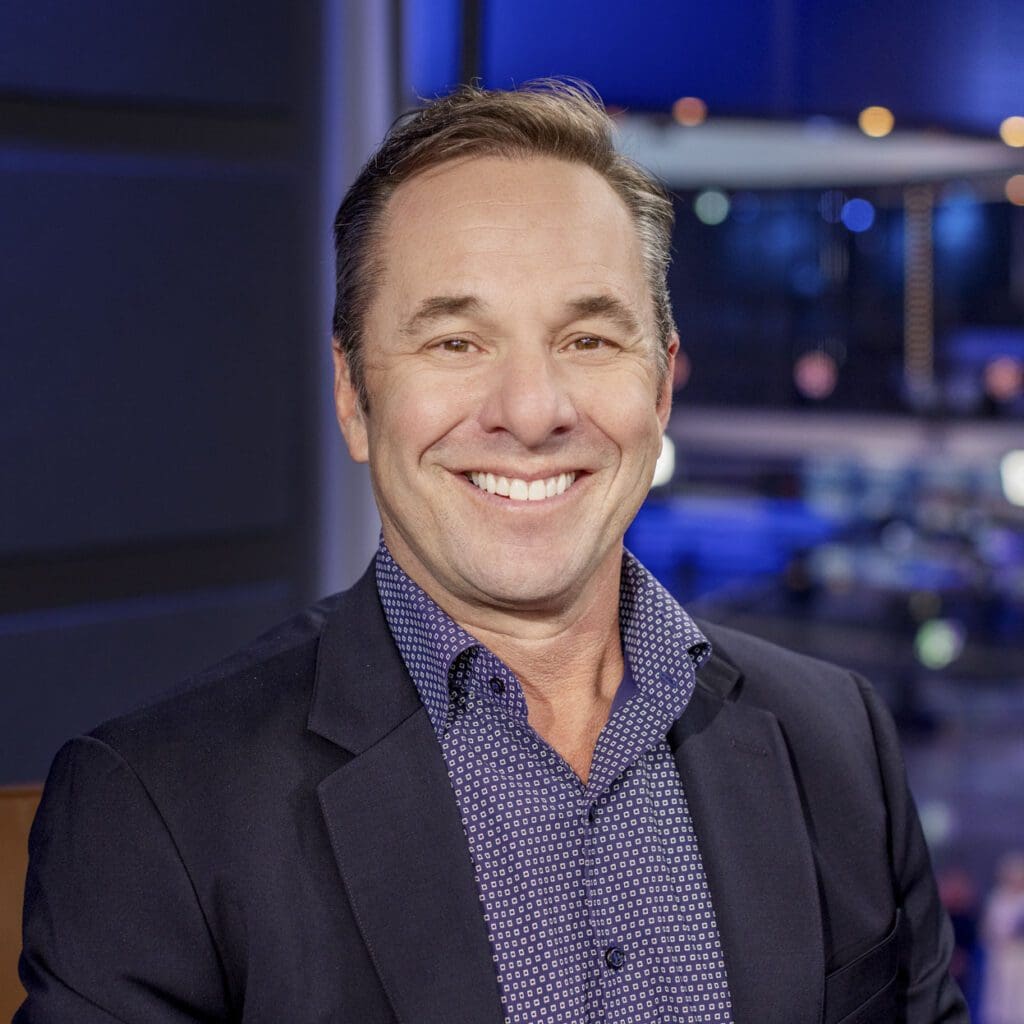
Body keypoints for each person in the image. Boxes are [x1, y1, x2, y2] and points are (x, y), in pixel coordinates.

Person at [16, 80, 967, 1024]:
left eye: (589, 339)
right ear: (354, 396)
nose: (532, 410)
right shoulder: (157, 812)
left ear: (662, 386)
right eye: (457, 342)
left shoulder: (839, 741)